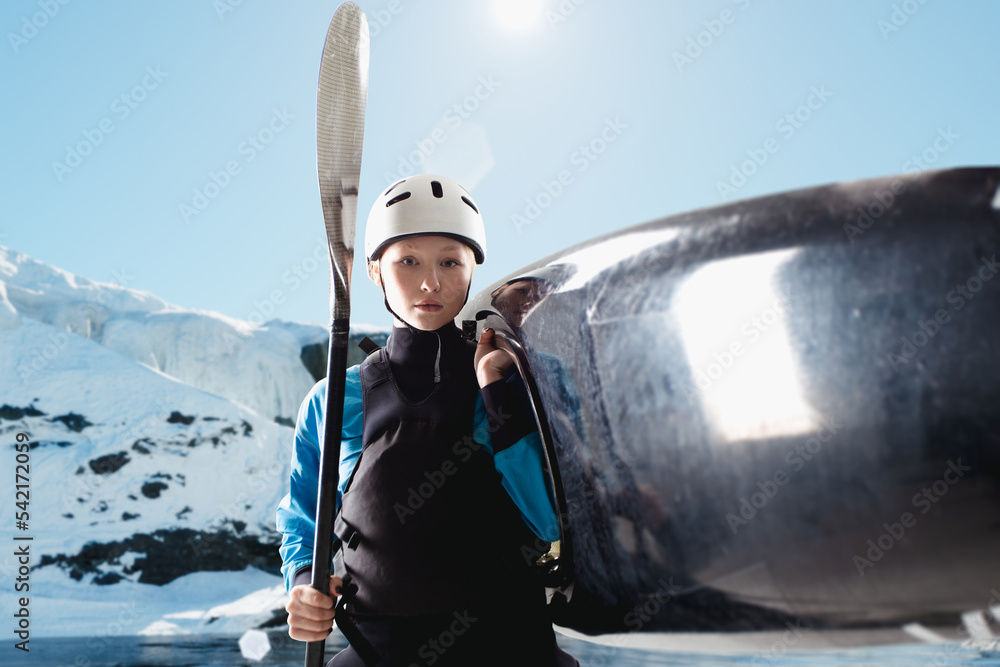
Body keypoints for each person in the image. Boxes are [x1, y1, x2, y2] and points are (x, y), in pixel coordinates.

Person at [275, 174, 578, 666]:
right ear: (374, 270)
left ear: (473, 269)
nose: (430, 283)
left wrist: (500, 398)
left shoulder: (526, 380)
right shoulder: (334, 399)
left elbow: (550, 521)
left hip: (512, 646)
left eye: (450, 262)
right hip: (377, 652)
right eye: (408, 260)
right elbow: (307, 519)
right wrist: (304, 583)